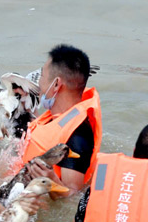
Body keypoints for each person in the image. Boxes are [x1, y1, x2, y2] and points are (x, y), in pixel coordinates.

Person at [13, 44, 102, 195]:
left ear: (56, 84)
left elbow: (73, 197)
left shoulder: (77, 136)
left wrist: (51, 179)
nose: (38, 83)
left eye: (42, 76)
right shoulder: (54, 116)